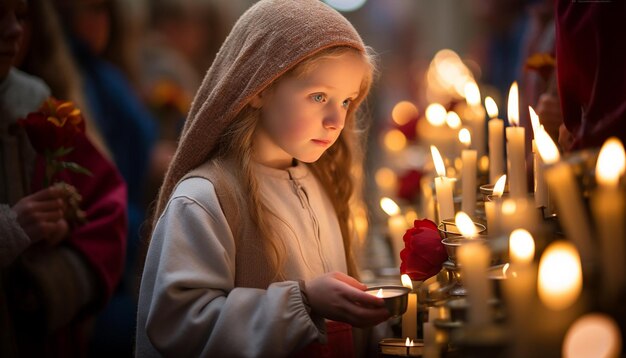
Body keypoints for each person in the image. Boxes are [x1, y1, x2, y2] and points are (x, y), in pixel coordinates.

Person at [136, 0, 390, 356]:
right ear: (259, 88)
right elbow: (179, 324)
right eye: (319, 96)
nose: (337, 119)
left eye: (346, 101)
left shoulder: (320, 184)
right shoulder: (206, 199)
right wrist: (303, 301)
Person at [0, 0, 127, 356]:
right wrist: (12, 227)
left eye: (22, 16)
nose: (14, 31)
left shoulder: (33, 100)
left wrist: (50, 283)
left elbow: (105, 204)